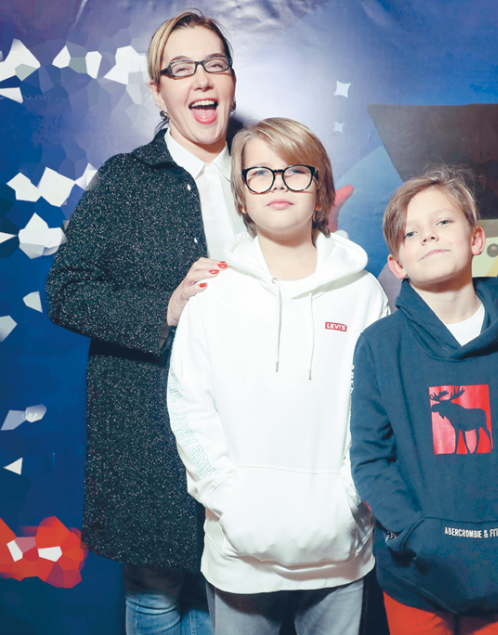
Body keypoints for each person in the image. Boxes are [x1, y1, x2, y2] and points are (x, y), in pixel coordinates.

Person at [46, 10, 244, 634]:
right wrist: (164, 307)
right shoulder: (124, 180)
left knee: (237, 596)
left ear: (232, 81)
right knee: (157, 596)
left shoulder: (263, 174)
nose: (201, 79)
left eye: (214, 64)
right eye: (180, 69)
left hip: (246, 426)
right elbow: (65, 292)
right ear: (158, 92)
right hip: (149, 435)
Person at [167, 117, 389, 635]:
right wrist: (231, 501)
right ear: (241, 198)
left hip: (340, 553)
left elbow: (379, 414)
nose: (278, 185)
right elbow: (189, 406)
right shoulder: (212, 295)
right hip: (238, 555)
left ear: (320, 191)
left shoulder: (363, 294)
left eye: (295, 171)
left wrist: (348, 500)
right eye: (260, 174)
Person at [349, 166, 498, 635]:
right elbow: (370, 457)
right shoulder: (378, 345)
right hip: (415, 576)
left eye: (443, 222)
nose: (428, 236)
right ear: (397, 264)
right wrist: (415, 533)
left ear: (476, 239)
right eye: (411, 233)